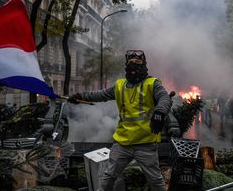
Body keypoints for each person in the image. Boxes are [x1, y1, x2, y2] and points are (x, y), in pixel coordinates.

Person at [68, 49, 171, 191]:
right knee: (107, 178)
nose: (134, 64)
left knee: (155, 181)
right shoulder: (120, 85)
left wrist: (160, 112)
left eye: (137, 62)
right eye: (131, 62)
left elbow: (164, 98)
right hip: (122, 143)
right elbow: (100, 95)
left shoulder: (152, 84)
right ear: (126, 64)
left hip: (145, 143)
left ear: (144, 64)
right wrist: (79, 96)